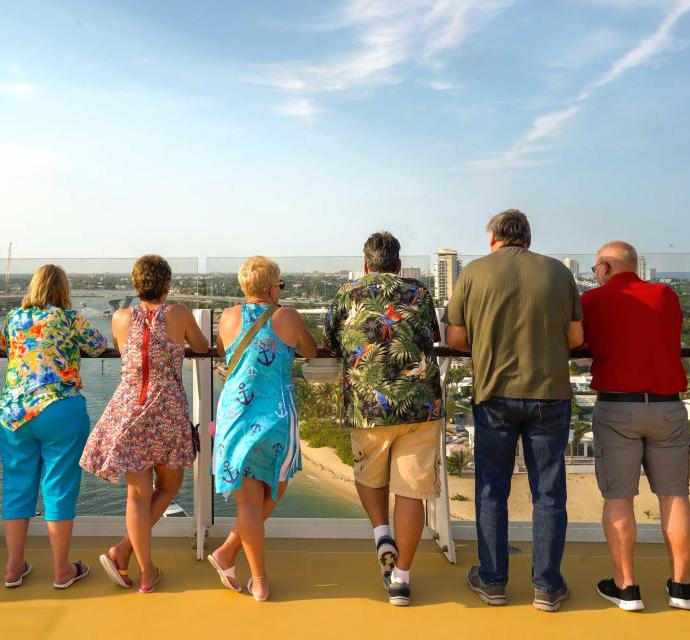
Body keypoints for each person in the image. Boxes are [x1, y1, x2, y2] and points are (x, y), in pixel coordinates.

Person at [446, 209, 583, 613]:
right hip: (549, 393)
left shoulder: (473, 273)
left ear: (494, 239)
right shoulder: (559, 272)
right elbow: (576, 337)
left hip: (494, 395)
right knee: (548, 493)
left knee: (491, 491)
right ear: (528, 237)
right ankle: (547, 586)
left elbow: (455, 337)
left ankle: (493, 582)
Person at [325, 232, 442, 606]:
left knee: (368, 476)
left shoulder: (346, 293)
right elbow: (431, 338)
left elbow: (332, 339)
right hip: (418, 406)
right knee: (411, 491)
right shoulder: (420, 293)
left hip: (367, 406)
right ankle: (402, 581)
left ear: (365, 264)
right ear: (398, 264)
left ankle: (381, 533)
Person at [81, 255, 209, 593]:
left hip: (129, 408)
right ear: (166, 284)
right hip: (166, 408)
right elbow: (201, 346)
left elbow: (128, 354)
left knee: (137, 494)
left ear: (136, 285)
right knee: (168, 486)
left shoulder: (121, 317)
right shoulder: (178, 313)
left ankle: (134, 560)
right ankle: (136, 562)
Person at [583, 241, 690, 611]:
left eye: (597, 268)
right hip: (668, 407)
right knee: (675, 496)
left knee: (618, 497)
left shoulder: (593, 301)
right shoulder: (666, 295)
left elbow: (580, 340)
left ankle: (627, 588)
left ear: (605, 267)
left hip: (618, 408)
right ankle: (681, 587)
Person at [208, 256, 317, 601]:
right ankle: (238, 560)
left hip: (234, 416)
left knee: (249, 503)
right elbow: (311, 351)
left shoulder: (226, 317)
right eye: (279, 285)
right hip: (276, 418)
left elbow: (228, 355)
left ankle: (255, 577)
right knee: (278, 485)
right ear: (272, 287)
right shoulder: (287, 317)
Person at [0, 264, 106, 589]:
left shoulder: (14, 318)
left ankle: (14, 568)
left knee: (17, 485)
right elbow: (98, 345)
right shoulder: (70, 319)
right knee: (58, 487)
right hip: (60, 408)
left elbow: (7, 346)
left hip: (14, 412)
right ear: (63, 289)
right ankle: (61, 570)